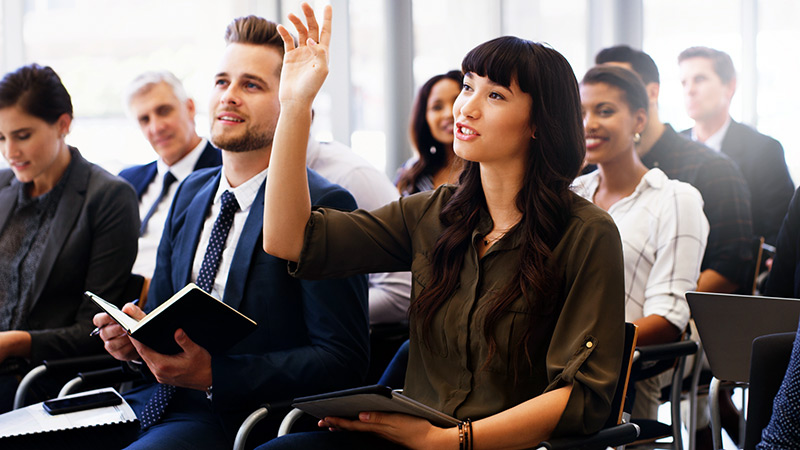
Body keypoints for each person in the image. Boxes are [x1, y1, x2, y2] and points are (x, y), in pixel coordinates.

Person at [260, 4, 626, 449]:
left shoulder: (587, 233)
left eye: (495, 96)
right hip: (411, 436)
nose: (465, 107)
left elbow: (579, 397)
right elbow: (289, 240)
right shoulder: (431, 213)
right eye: (468, 87)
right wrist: (295, 104)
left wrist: (450, 440)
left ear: (537, 124)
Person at [87, 15, 370, 449]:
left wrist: (216, 375)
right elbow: (165, 318)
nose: (229, 97)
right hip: (150, 401)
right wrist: (136, 342)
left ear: (297, 106)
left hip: (240, 418)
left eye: (251, 85)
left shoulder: (325, 205)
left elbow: (343, 360)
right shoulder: (191, 193)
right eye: (221, 82)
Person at [0, 64, 139, 412]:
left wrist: (14, 343)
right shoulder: (2, 187)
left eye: (22, 135)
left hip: (41, 379)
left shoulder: (108, 198)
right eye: (1, 138)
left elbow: (93, 329)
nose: (10, 152)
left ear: (63, 124)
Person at [573, 65, 709, 420]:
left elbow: (667, 320)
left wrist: (583, 348)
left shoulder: (675, 199)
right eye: (581, 113)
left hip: (624, 371)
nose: (589, 123)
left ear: (638, 119)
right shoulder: (570, 195)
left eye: (605, 111)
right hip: (552, 363)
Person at [595, 45, 753, 296]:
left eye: (618, 89)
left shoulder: (713, 169)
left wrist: (663, 306)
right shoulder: (587, 177)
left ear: (651, 93)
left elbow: (732, 266)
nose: (593, 121)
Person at [678, 46, 793, 246]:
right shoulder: (673, 148)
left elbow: (781, 230)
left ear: (729, 86)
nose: (690, 90)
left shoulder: (764, 150)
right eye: (684, 82)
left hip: (744, 270)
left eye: (700, 79)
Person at [119, 71, 222, 281]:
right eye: (144, 119)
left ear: (190, 108)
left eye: (164, 111)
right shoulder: (126, 181)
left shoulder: (226, 170)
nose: (156, 127)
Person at [395, 70, 464, 196]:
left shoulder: (488, 172)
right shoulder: (411, 173)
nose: (449, 113)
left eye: (456, 101)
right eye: (437, 107)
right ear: (424, 119)